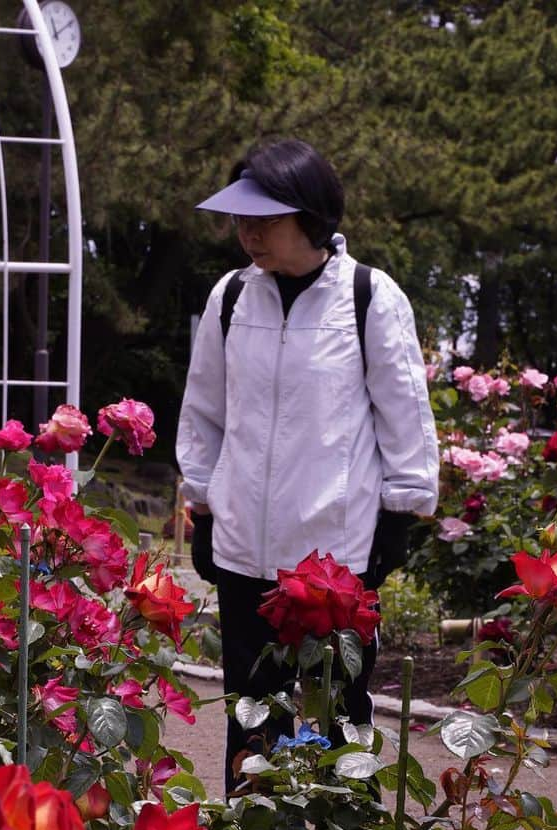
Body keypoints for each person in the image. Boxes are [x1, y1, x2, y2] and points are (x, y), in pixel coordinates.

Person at [176, 138, 439, 795]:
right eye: (241, 220)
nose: (248, 234)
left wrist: (399, 519)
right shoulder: (232, 297)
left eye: (264, 220)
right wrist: (204, 508)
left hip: (332, 565)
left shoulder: (368, 298)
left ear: (311, 217)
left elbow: (404, 416)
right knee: (251, 718)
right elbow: (204, 410)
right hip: (243, 554)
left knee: (338, 719)